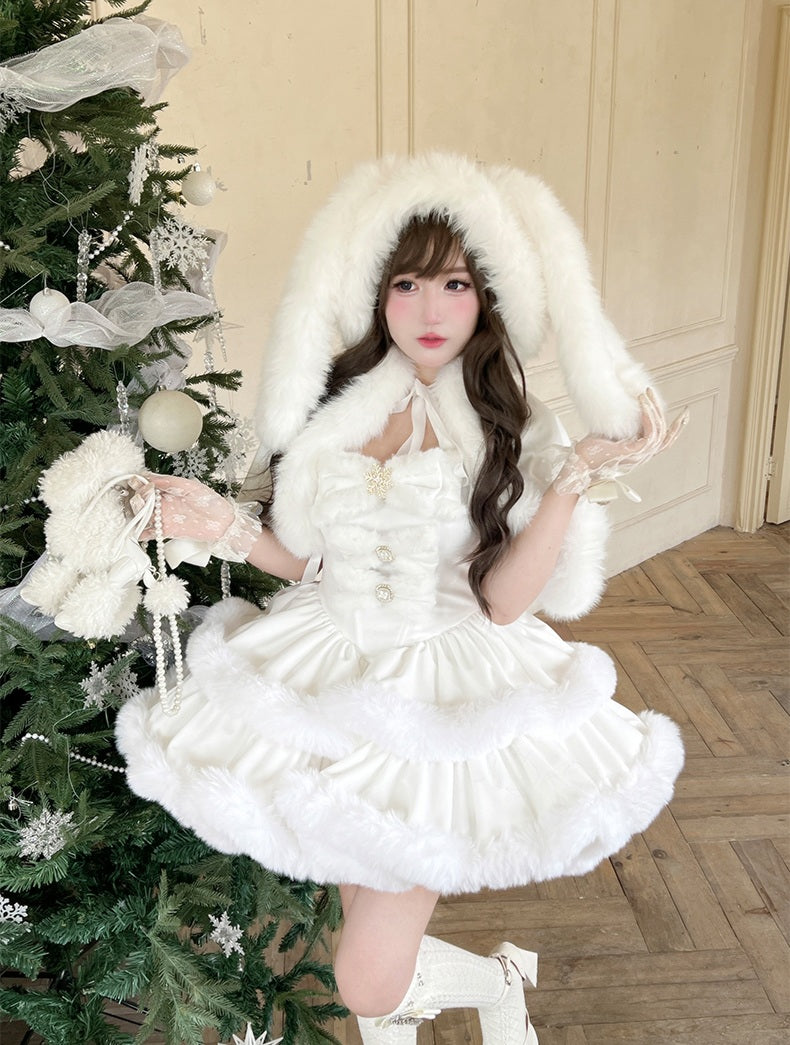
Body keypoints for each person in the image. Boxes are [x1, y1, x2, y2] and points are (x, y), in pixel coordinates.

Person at [116, 153, 687, 1044]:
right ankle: (483, 991)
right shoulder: (336, 404)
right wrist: (220, 522)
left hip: (441, 688)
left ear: (486, 296)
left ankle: (498, 982)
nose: (429, 311)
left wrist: (574, 477)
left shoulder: (509, 423)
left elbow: (505, 603)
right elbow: (306, 559)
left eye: (454, 284)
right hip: (326, 668)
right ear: (375, 293)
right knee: (369, 932)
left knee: (367, 977)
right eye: (407, 284)